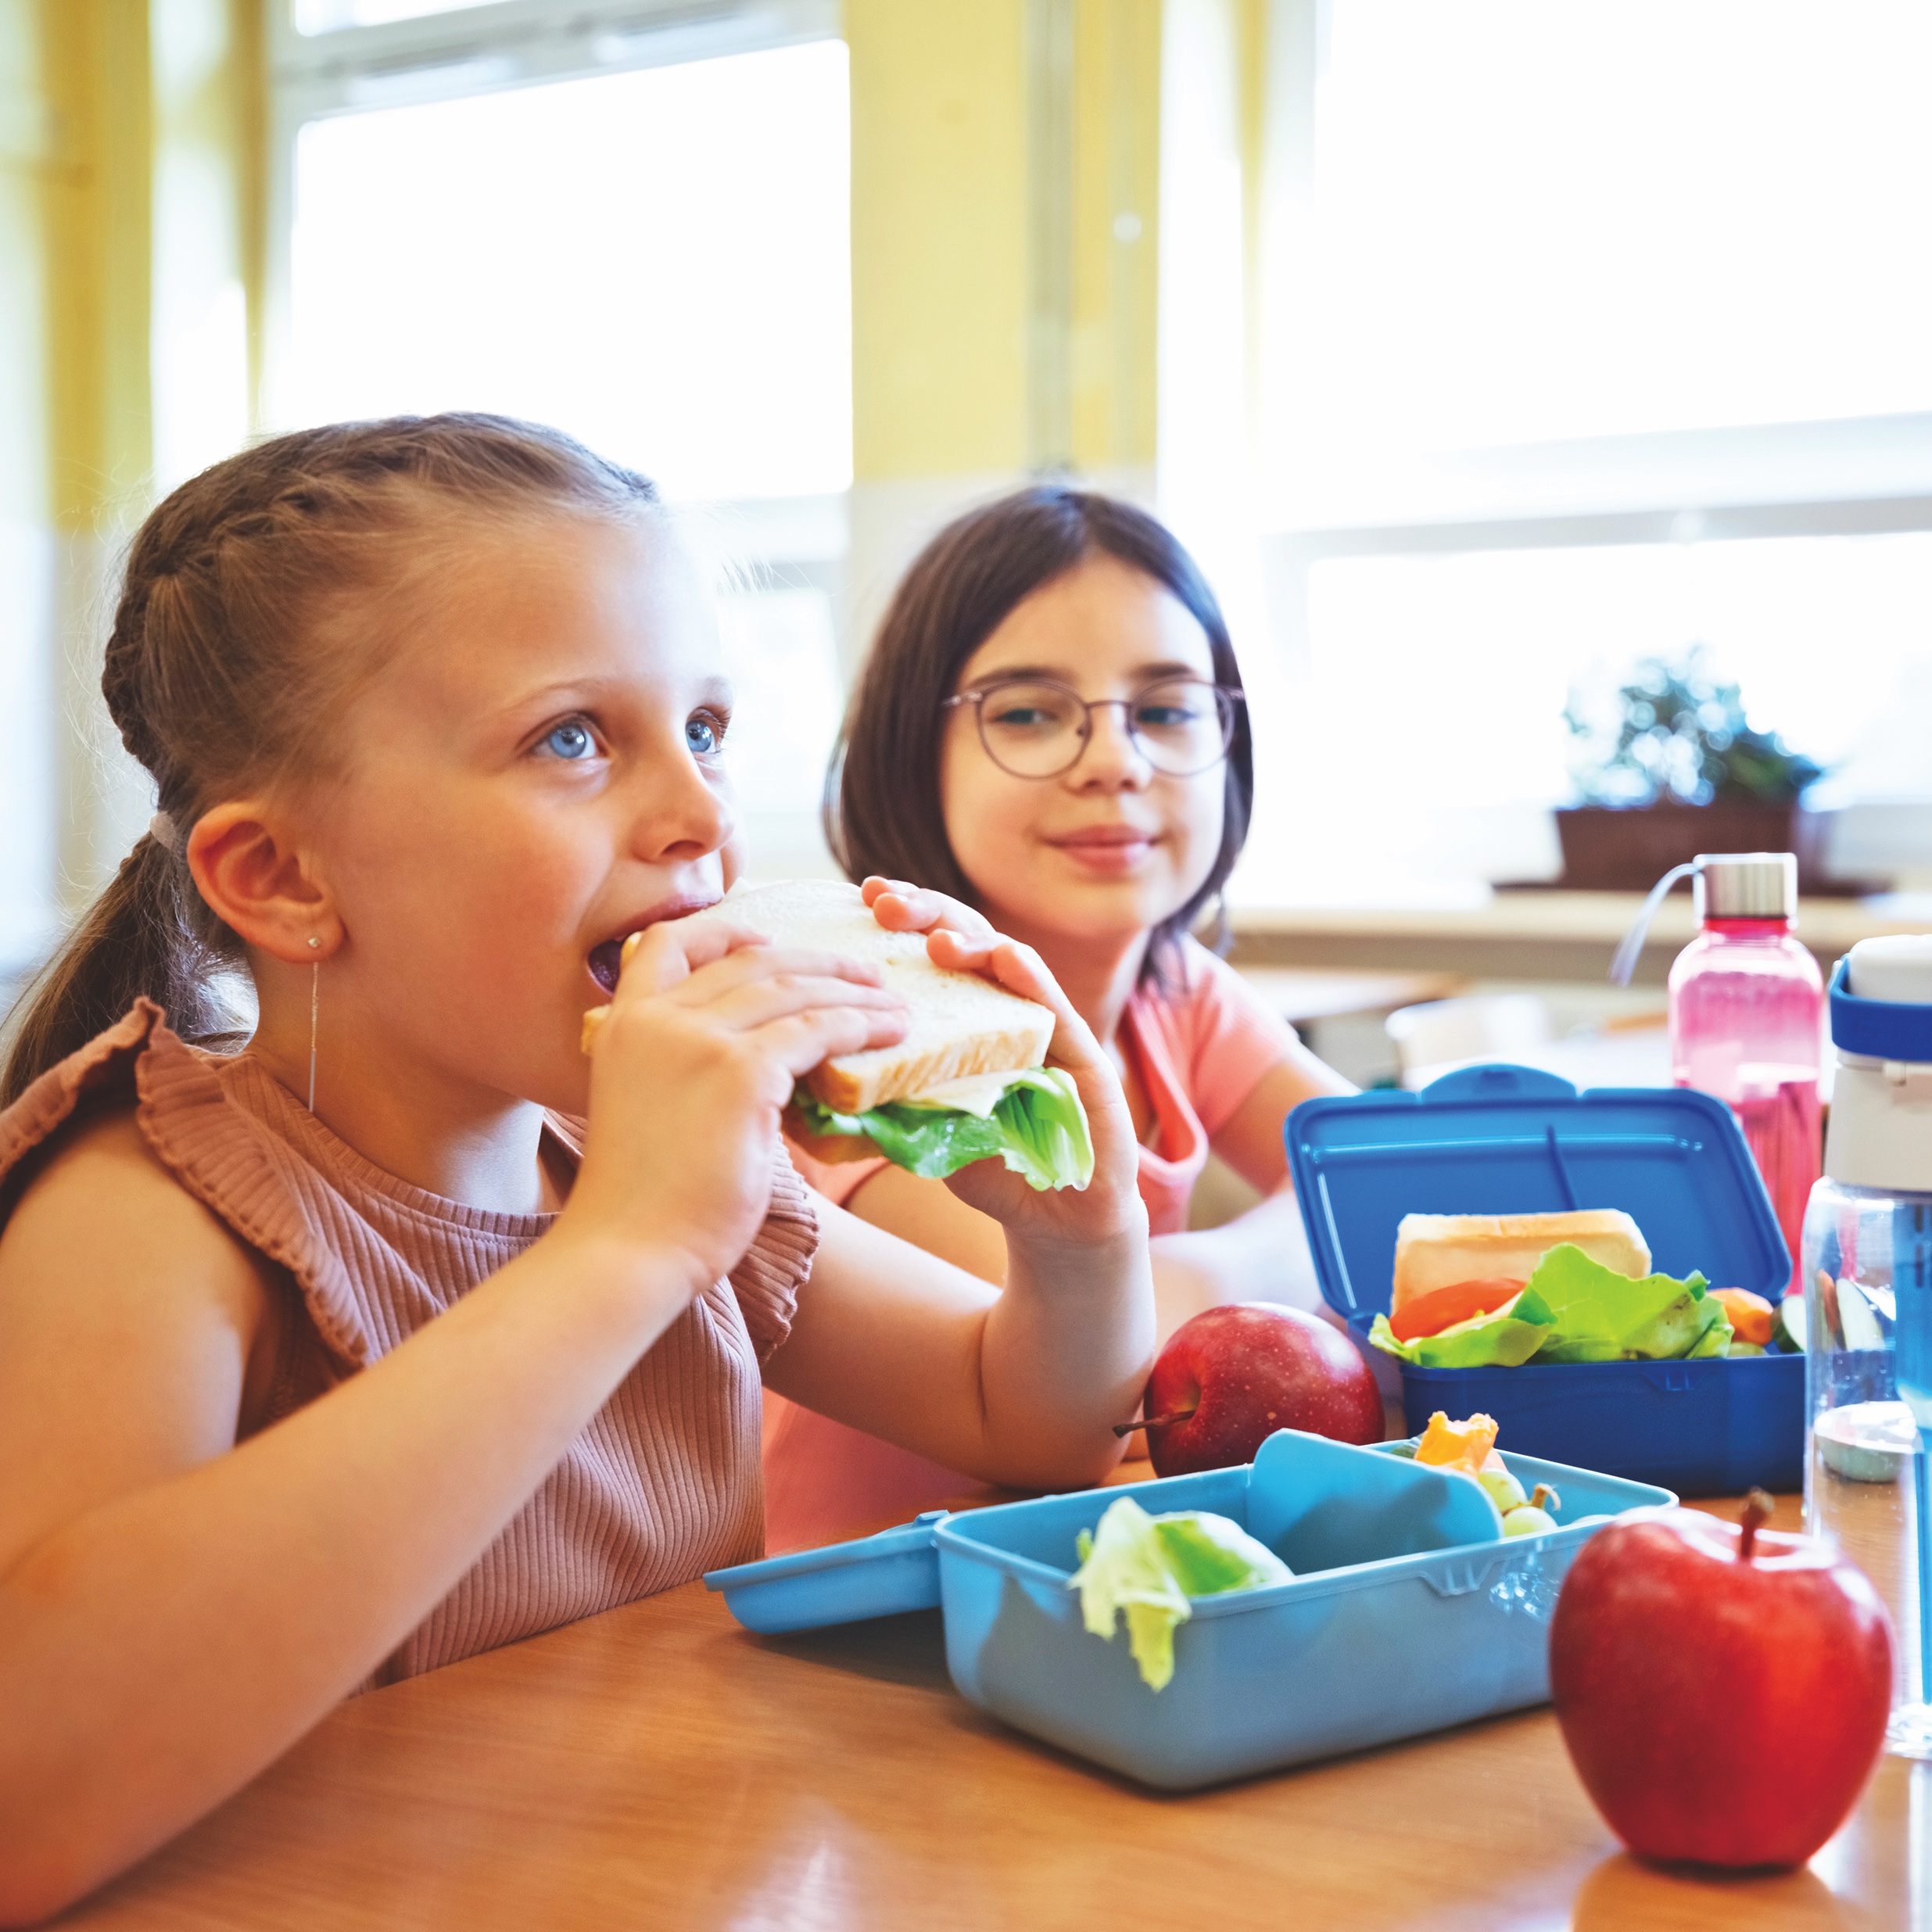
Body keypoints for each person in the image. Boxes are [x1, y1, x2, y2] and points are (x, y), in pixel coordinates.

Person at [0, 419, 1154, 1922]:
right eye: (572, 739)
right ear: (281, 878)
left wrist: (1079, 1232)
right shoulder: (154, 1208)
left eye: (710, 731)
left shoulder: (643, 1154)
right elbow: (32, 1793)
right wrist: (624, 1252)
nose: (700, 817)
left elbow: (1037, 1416)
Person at [765, 486, 1353, 1550]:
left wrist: (1206, 1276)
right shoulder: (876, 1025)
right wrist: (1258, 1260)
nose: (1114, 761)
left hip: (1081, 1574)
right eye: (1028, 712)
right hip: (867, 1624)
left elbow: (1384, 1185)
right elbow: (1117, 1355)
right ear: (911, 749)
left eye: (1167, 710)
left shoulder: (1181, 990)